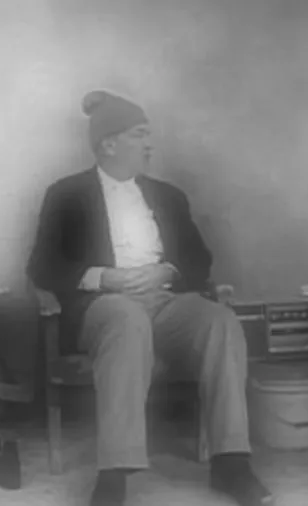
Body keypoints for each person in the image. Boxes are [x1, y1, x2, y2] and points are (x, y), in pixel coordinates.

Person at [27, 90, 273, 506]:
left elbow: (199, 259)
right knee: (127, 320)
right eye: (139, 134)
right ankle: (114, 475)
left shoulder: (168, 196)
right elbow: (42, 266)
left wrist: (167, 271)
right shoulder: (66, 194)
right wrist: (105, 278)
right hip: (104, 307)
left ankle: (231, 464)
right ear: (108, 144)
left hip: (166, 302)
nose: (150, 144)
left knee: (221, 322)